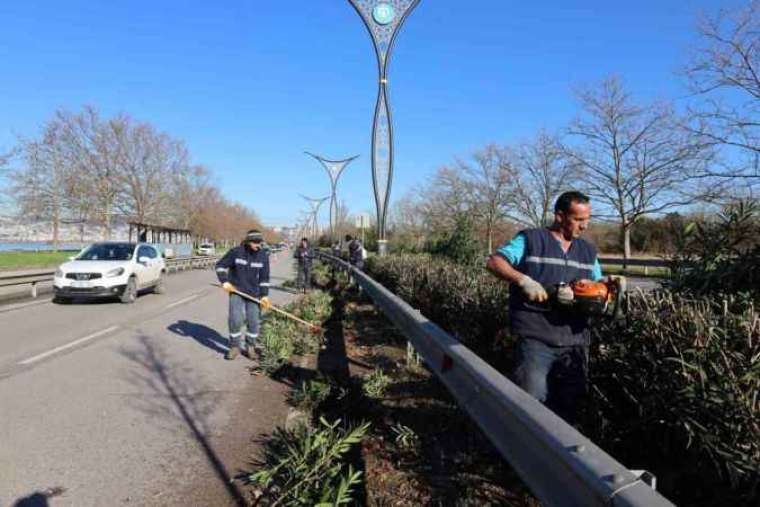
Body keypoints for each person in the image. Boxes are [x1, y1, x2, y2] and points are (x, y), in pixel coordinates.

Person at [486, 191, 604, 425]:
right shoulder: (531, 240)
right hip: (536, 338)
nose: (585, 226)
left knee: (570, 408)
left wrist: (607, 287)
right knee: (532, 405)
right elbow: (494, 262)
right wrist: (524, 280)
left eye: (587, 219)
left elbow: (597, 284)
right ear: (560, 216)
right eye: (579, 220)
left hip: (575, 343)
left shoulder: (588, 252)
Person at [215, 229, 272, 361]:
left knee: (253, 321)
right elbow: (220, 266)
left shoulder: (263, 256)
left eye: (260, 242)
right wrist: (225, 282)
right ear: (248, 241)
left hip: (254, 294)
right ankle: (234, 346)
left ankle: (250, 347)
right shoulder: (236, 252)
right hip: (237, 291)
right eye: (255, 242)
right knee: (235, 319)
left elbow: (264, 277)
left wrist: (264, 296)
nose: (258, 245)